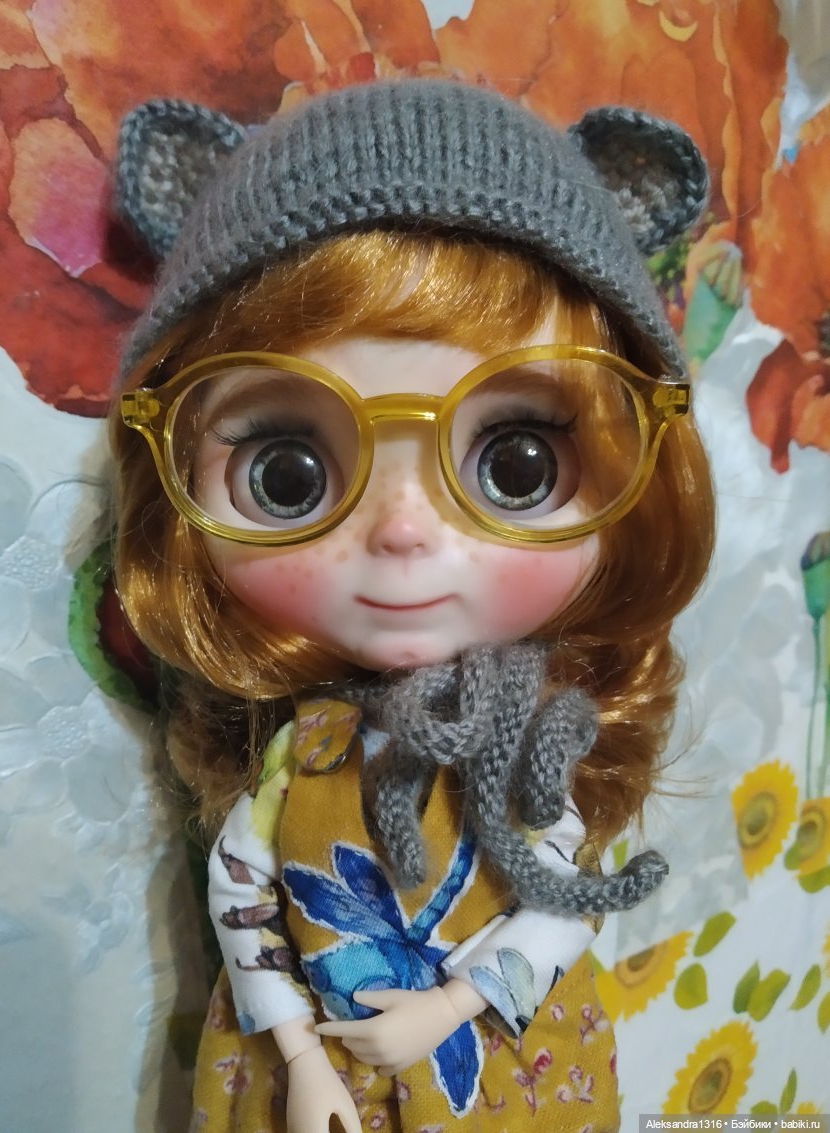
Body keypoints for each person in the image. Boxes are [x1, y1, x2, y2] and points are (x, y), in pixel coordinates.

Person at [110, 79, 714, 1132]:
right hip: (313, 1077)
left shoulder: (524, 745)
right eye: (288, 473)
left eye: (517, 464)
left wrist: (450, 1007)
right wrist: (299, 1053)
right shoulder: (301, 755)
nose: (399, 530)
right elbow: (243, 898)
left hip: (503, 1073)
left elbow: (561, 901)